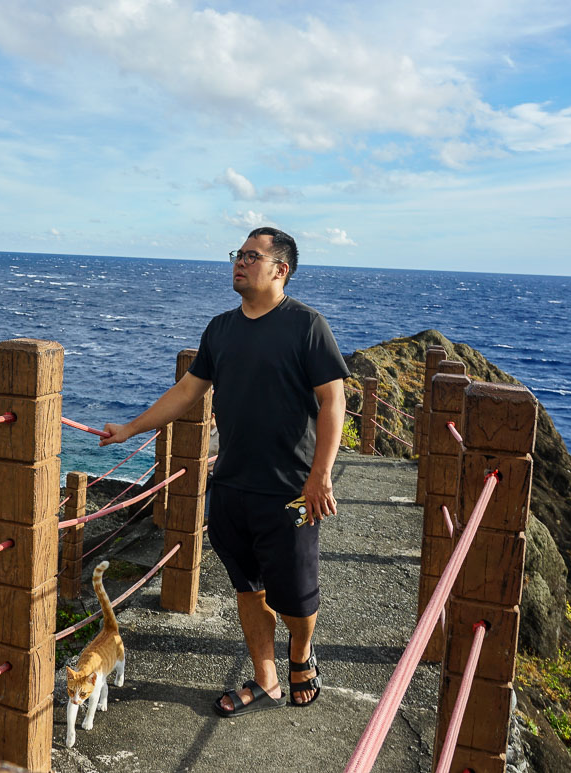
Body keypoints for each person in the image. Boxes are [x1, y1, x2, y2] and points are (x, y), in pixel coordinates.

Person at [100, 226, 348, 716]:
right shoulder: (220, 329)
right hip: (231, 486)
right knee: (247, 588)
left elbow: (333, 399)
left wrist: (320, 475)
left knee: (298, 597)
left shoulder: (307, 325)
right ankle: (265, 677)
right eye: (238, 254)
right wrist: (130, 428)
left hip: (293, 491)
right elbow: (189, 392)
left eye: (252, 256)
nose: (240, 261)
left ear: (282, 269)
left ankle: (301, 655)